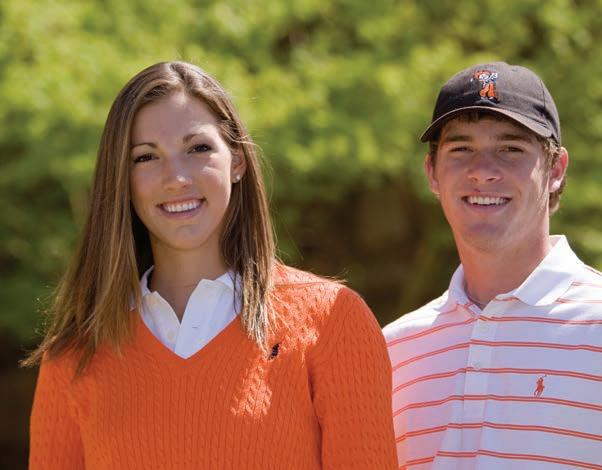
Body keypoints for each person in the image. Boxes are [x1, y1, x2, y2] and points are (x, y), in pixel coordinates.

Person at [25, 61, 398, 469]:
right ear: (122, 180)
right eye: (146, 157)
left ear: (236, 161)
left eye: (198, 148)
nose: (176, 178)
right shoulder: (75, 353)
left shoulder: (333, 321)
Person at [383, 62, 602, 469]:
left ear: (555, 169)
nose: (482, 171)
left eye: (511, 149)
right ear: (432, 172)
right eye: (461, 149)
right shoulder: (395, 349)